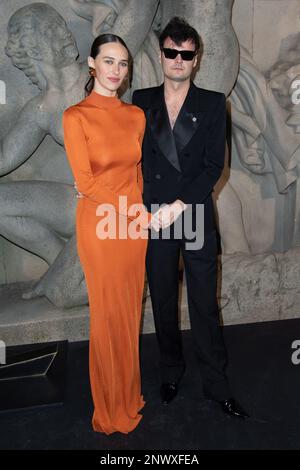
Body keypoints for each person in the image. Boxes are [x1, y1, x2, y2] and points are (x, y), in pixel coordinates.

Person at [133, 17, 249, 418]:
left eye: (186, 54)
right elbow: (123, 155)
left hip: (192, 212)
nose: (178, 60)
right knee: (163, 299)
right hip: (154, 216)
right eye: (171, 52)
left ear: (196, 59)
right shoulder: (140, 100)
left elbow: (215, 166)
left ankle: (217, 385)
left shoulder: (214, 102)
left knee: (204, 302)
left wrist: (177, 206)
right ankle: (170, 371)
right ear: (162, 55)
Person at [63, 33, 155, 434]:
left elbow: (135, 174)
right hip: (100, 227)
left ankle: (129, 394)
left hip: (133, 228)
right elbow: (85, 181)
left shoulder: (136, 116)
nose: (116, 70)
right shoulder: (75, 116)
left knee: (130, 313)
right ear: (91, 63)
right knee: (107, 316)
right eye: (109, 61)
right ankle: (109, 409)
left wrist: (141, 216)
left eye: (123, 64)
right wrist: (133, 212)